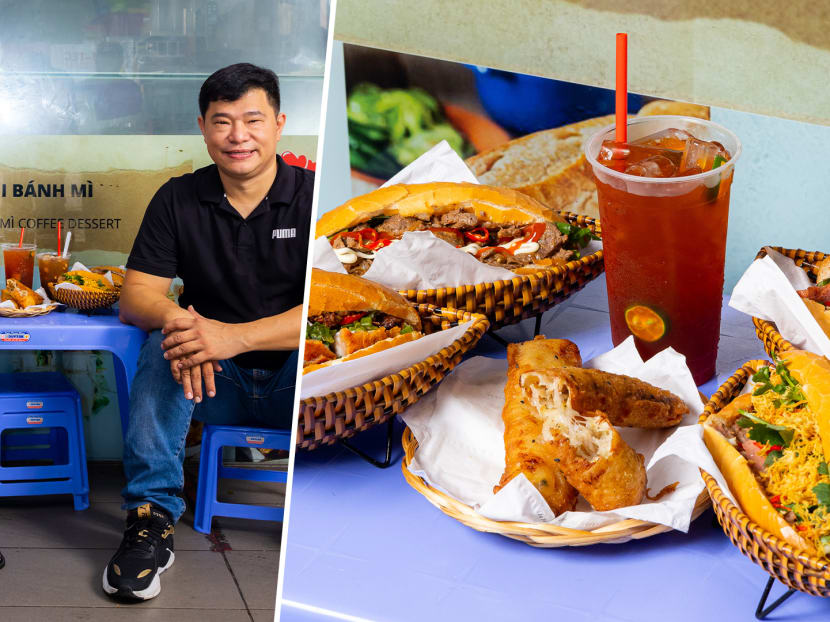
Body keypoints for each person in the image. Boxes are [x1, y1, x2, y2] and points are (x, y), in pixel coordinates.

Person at [103, 63, 312, 601]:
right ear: (202, 127)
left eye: (252, 119)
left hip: (299, 384)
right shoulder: (178, 197)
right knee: (163, 342)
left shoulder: (316, 195)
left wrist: (233, 336)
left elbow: (333, 310)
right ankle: (149, 521)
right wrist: (188, 326)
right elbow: (137, 298)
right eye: (222, 122)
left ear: (279, 123)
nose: (238, 136)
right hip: (210, 385)